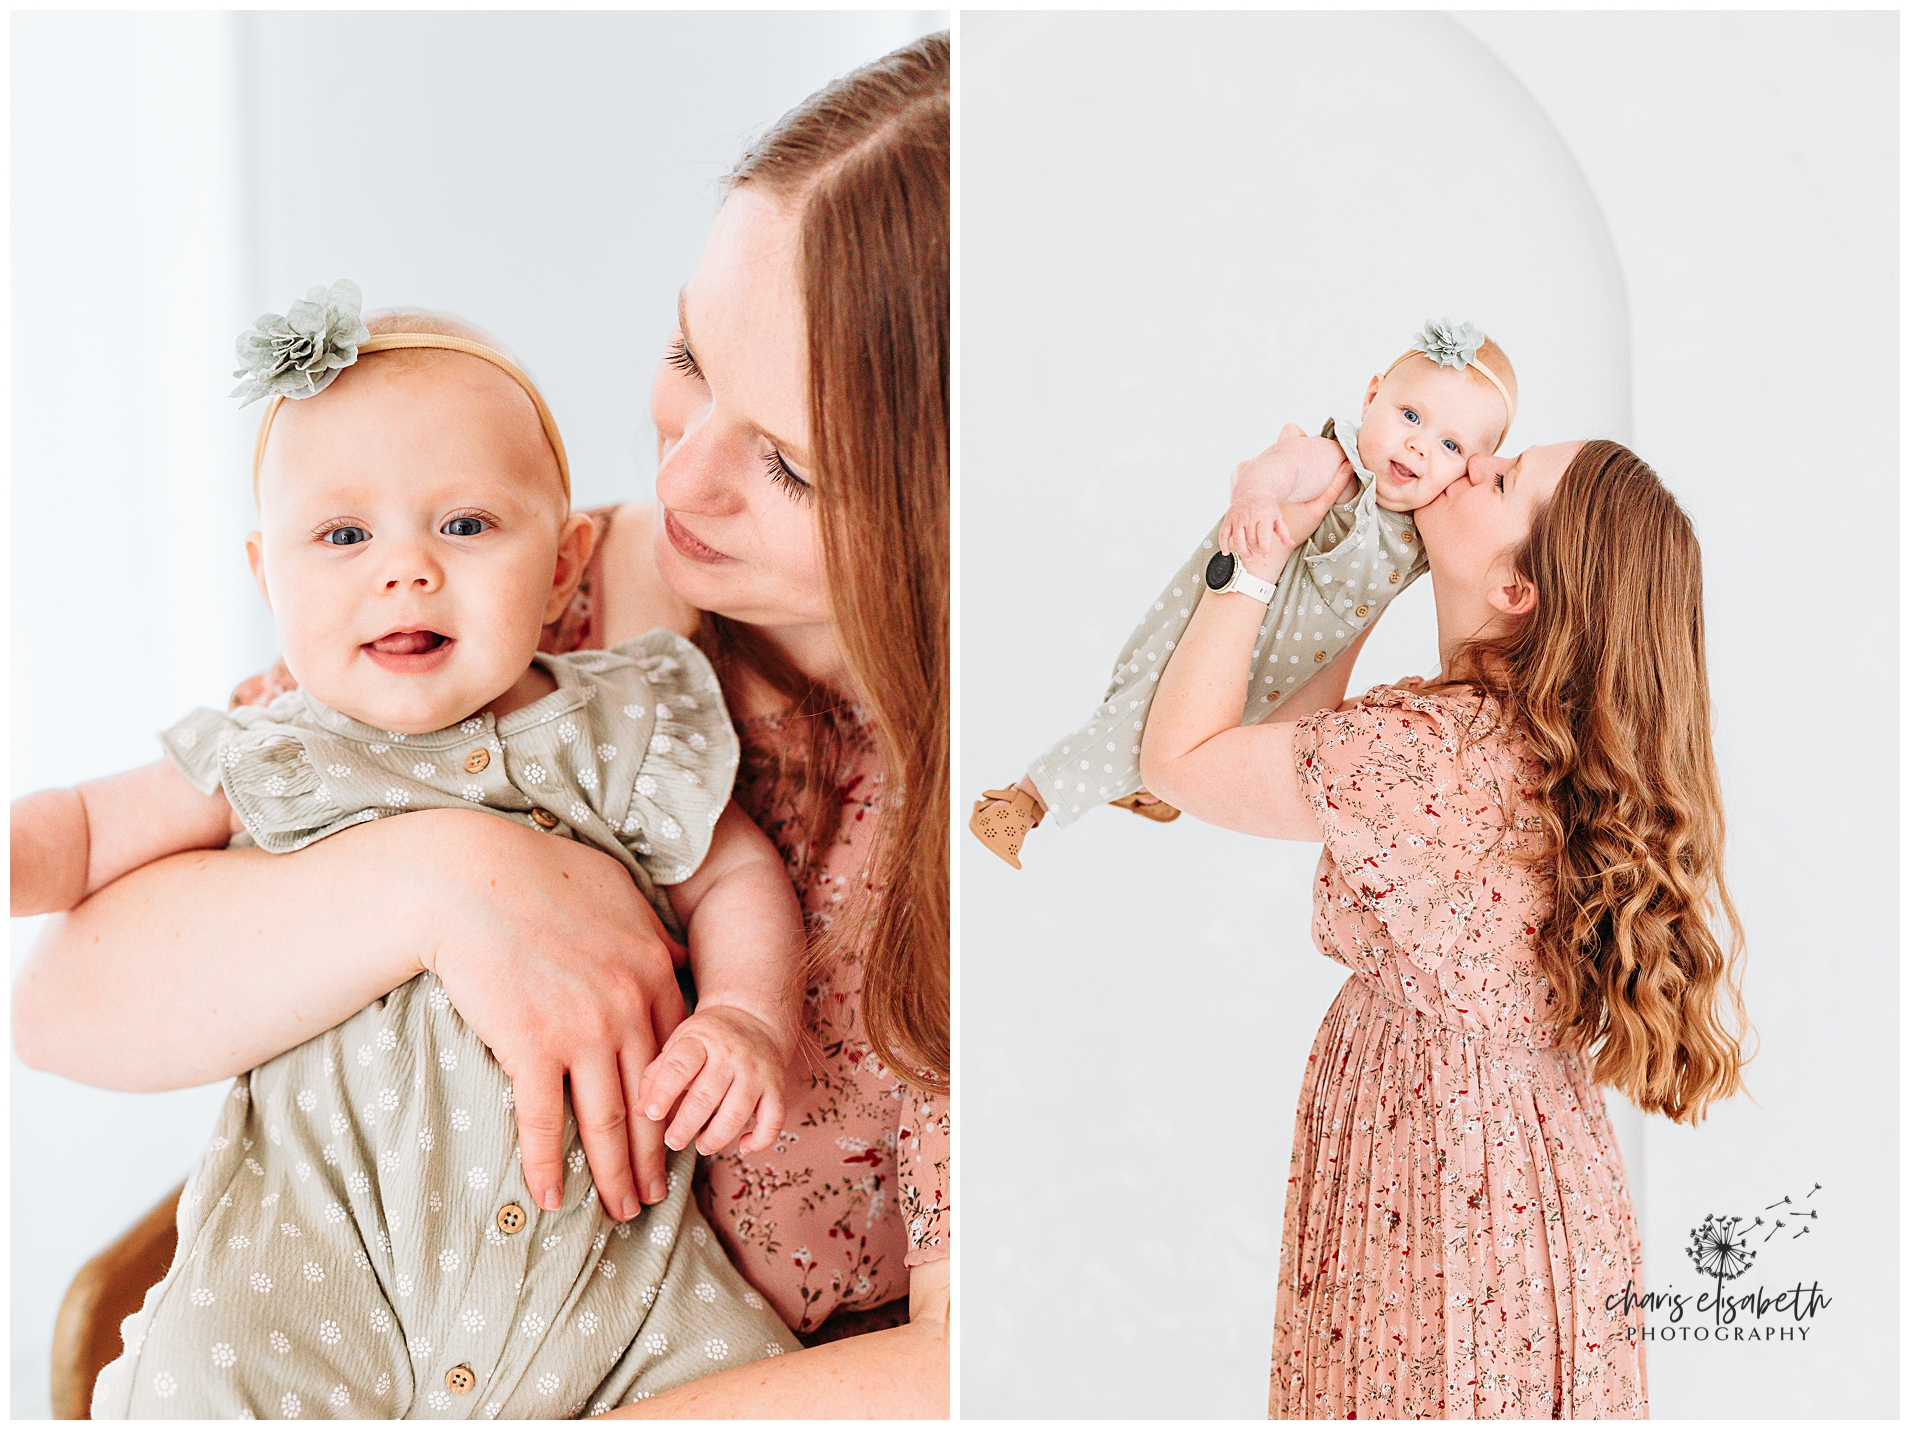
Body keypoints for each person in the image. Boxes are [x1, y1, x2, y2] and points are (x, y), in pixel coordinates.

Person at [14, 31, 949, 1418]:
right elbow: (65, 1000)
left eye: (792, 463)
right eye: (688, 355)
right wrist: (451, 877)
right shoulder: (491, 614)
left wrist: (744, 1011)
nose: (682, 473)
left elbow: (964, 1367)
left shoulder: (987, 808)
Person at [13, 289, 809, 1414]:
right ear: (265, 573)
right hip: (309, 1263)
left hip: (611, 1277)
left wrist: (747, 1014)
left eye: (467, 525)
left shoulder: (619, 721)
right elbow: (82, 832)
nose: (406, 570)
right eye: (344, 535)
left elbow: (729, 872)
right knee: (201, 1370)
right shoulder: (275, 744)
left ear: (566, 562)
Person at [1140, 436, 1748, 1417]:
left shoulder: (1423, 755)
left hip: (1435, 1177)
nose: (1473, 461)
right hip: (1526, 1173)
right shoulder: (1499, 740)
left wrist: (1249, 554)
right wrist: (1368, 560)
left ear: (1516, 587)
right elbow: (1299, 743)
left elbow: (1182, 759)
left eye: (1500, 479)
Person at [968, 319, 1519, 868]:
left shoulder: (1425, 528)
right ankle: (1025, 799)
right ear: (1373, 395)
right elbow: (1275, 470)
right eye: (1410, 416)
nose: (1419, 446)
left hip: (1280, 670)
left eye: (1449, 444)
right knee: (1140, 713)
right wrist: (1255, 497)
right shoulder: (1339, 467)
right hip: (1223, 623)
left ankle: (1139, 790)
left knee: (1225, 738)